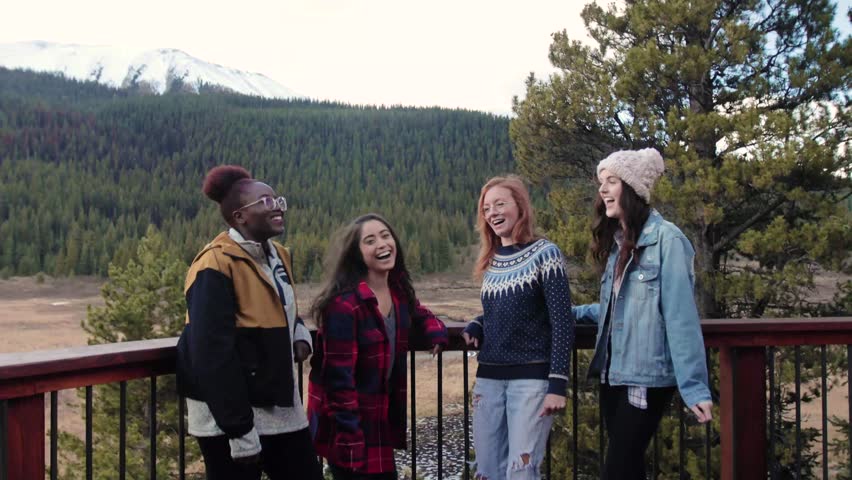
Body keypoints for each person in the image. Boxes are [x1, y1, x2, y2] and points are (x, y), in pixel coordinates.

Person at [572, 148, 713, 480]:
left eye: (611, 182)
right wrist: (566, 313)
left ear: (632, 189)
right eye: (601, 183)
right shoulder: (621, 243)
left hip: (646, 376)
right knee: (629, 468)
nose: (602, 190)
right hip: (613, 374)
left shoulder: (668, 240)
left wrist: (694, 388)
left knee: (617, 470)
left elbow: (681, 318)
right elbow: (613, 308)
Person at [175, 165, 322, 480]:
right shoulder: (213, 263)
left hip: (279, 405)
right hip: (227, 418)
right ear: (239, 216)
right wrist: (239, 431)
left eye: (278, 200)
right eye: (266, 202)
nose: (278, 207)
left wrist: (299, 335)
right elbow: (211, 353)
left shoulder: (278, 255)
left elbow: (284, 309)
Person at [307, 213, 448, 480]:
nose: (382, 244)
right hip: (348, 425)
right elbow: (338, 382)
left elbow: (420, 314)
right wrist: (351, 441)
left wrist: (436, 332)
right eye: (370, 240)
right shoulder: (344, 305)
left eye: (385, 235)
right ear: (357, 254)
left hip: (378, 418)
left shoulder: (397, 293)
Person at [461, 175, 575, 480]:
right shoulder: (493, 260)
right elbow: (505, 311)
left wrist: (557, 385)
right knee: (487, 472)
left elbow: (562, 320)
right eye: (487, 208)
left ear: (520, 207)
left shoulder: (545, 253)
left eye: (501, 204)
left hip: (532, 383)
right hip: (488, 380)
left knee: (522, 472)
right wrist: (479, 321)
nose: (493, 213)